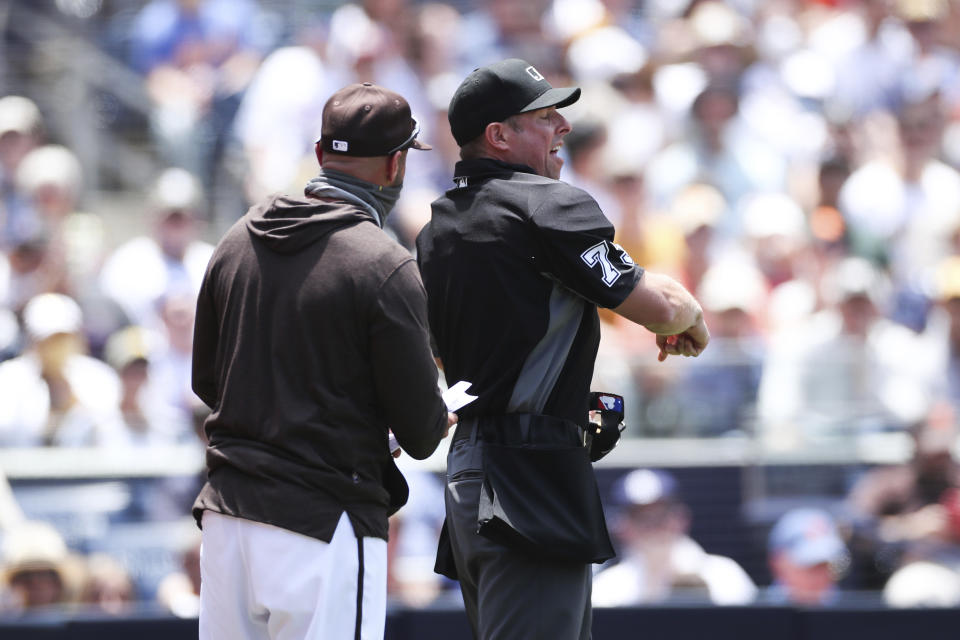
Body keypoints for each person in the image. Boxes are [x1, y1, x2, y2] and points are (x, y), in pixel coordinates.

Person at [416, 58, 710, 640]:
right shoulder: (548, 205)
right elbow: (659, 305)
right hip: (527, 474)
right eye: (545, 117)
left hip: (470, 467)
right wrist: (690, 317)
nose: (564, 129)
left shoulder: (437, 228)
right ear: (499, 136)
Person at [190, 82, 456, 640]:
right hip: (322, 519)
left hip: (227, 519)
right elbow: (423, 432)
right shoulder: (384, 263)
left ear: (319, 155)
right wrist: (440, 413)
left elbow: (208, 381)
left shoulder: (237, 239)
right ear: (395, 163)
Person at [592, 469, 756, 606]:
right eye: (642, 519)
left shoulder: (725, 575)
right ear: (623, 527)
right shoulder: (607, 587)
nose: (654, 527)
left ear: (682, 518)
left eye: (662, 516)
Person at [763, 507, 850, 606]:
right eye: (808, 567)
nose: (819, 578)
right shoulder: (753, 615)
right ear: (776, 563)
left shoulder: (852, 613)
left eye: (826, 566)